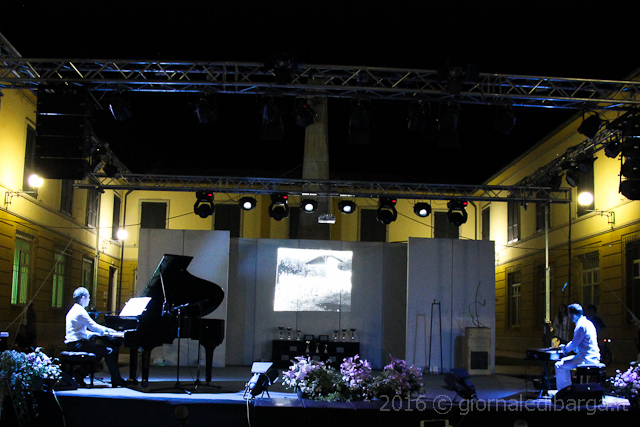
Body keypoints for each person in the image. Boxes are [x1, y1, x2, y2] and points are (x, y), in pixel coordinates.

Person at [65, 287, 125, 387]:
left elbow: (80, 331)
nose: (89, 300)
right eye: (88, 297)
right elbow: (94, 326)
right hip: (78, 344)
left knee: (99, 352)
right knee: (109, 351)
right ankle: (116, 380)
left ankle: (81, 373)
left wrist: (94, 334)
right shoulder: (80, 311)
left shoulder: (73, 310)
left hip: (73, 343)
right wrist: (109, 331)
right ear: (83, 298)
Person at [554, 303, 600, 391]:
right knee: (563, 362)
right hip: (591, 356)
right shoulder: (588, 323)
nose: (568, 317)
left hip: (586, 358)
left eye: (569, 314)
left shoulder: (580, 326)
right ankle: (567, 389)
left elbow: (574, 344)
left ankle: (564, 391)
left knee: (559, 365)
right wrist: (567, 347)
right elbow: (578, 344)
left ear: (573, 315)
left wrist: (564, 349)